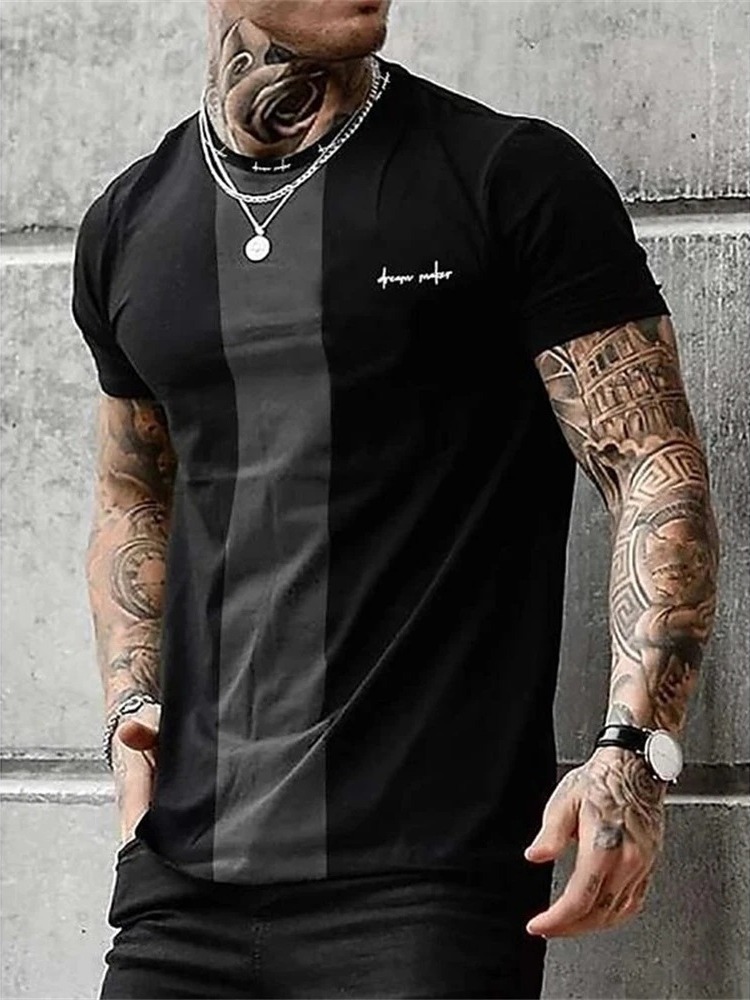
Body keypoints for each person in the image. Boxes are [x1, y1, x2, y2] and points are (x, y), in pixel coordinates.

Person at [72, 1, 719, 997]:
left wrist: (634, 749)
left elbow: (652, 462)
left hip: (426, 890)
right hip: (181, 884)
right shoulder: (129, 224)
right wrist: (130, 705)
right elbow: (131, 494)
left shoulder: (507, 178)